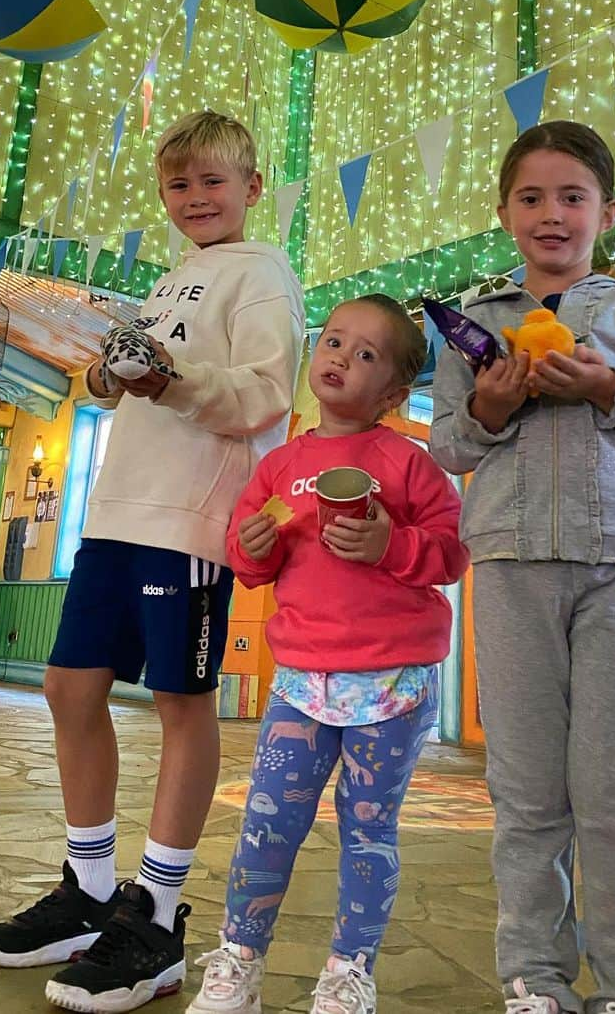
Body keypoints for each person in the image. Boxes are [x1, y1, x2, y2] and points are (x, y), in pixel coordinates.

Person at [0, 110, 305, 1013]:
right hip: (115, 511)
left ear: (252, 187)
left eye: (213, 181)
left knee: (179, 700)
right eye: (178, 185)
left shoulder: (264, 271)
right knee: (69, 689)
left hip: (189, 522)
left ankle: (154, 916)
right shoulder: (168, 281)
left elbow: (268, 395)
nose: (195, 198)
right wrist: (113, 375)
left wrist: (168, 380)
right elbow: (147, 379)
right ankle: (87, 891)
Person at [430, 121, 615, 1014]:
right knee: (524, 790)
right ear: (505, 213)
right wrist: (489, 404)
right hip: (512, 564)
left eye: (572, 196)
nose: (551, 214)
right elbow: (448, 444)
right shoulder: (475, 327)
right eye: (530, 197)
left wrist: (610, 390)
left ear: (607, 210)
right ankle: (534, 977)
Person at [187, 294, 470, 1014]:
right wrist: (250, 547)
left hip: (393, 682)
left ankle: (349, 972)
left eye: (366, 353)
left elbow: (451, 551)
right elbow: (251, 555)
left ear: (395, 392)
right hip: (301, 681)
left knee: (369, 828)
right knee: (268, 819)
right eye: (334, 340)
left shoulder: (409, 463)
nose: (341, 356)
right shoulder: (282, 466)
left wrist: (391, 544)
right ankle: (239, 961)